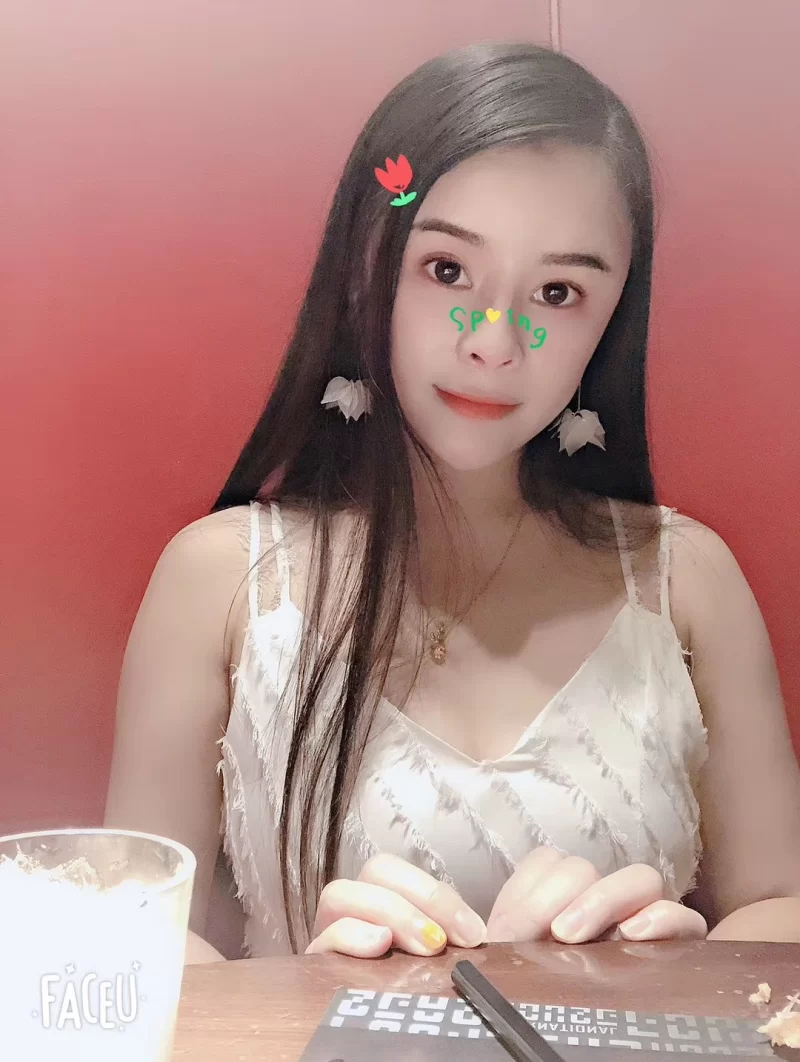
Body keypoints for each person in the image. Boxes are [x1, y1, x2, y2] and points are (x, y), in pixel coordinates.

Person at [104, 40, 800, 964]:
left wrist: (681, 973)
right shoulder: (222, 581)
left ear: (610, 322)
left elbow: (785, 909)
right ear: (370, 270)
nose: (494, 342)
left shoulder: (685, 581)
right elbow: (133, 947)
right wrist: (309, 997)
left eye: (558, 291)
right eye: (446, 270)